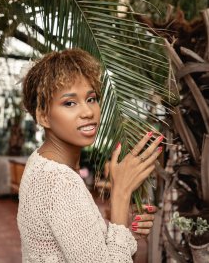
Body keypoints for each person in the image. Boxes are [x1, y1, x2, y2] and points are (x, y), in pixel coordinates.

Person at [17, 48, 163, 263]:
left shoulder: (41, 161)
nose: (88, 112)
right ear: (43, 116)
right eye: (70, 103)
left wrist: (121, 222)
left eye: (91, 98)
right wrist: (121, 193)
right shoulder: (59, 181)